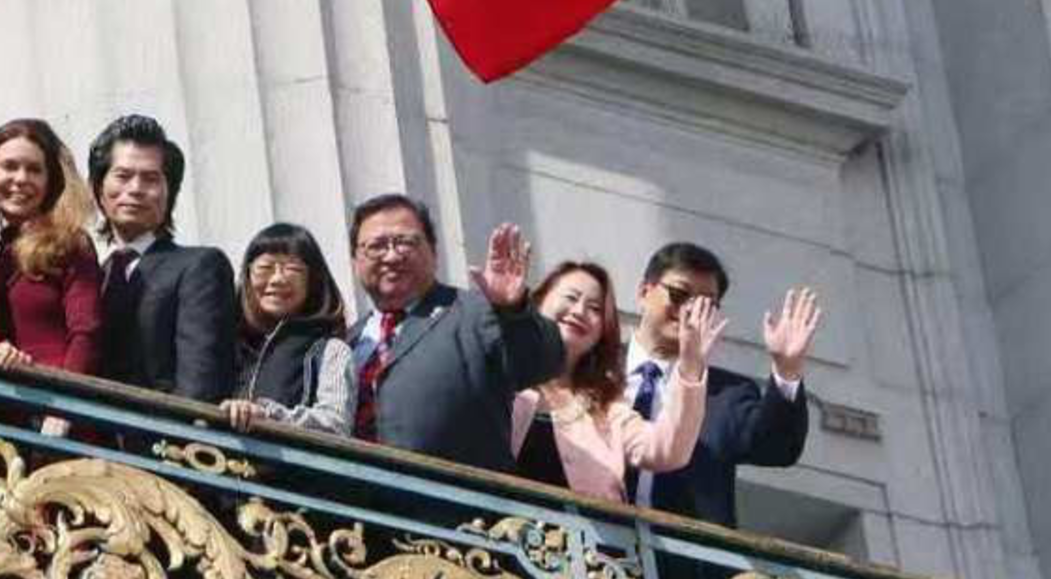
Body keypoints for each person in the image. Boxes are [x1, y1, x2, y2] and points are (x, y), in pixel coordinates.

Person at [340, 193, 565, 474]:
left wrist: (513, 311)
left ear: (434, 251)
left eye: (405, 242)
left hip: (459, 511)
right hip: (355, 510)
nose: (392, 255)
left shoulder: (475, 311)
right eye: (376, 246)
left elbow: (541, 363)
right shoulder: (345, 343)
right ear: (355, 261)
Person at [627, 242, 822, 522]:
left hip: (686, 560)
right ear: (644, 292)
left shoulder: (725, 394)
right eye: (679, 294)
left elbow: (779, 446)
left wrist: (787, 369)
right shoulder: (592, 368)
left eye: (704, 305)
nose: (688, 312)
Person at [515, 259, 715, 502]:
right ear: (540, 301)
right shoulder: (502, 375)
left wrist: (691, 364)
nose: (579, 311)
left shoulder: (606, 407)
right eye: (571, 297)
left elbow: (666, 450)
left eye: (595, 308)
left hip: (579, 535)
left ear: (602, 331)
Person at [85, 114, 237, 403]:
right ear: (98, 188)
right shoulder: (92, 275)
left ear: (170, 193)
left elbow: (200, 382)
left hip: (162, 442)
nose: (136, 189)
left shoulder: (200, 266)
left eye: (151, 178)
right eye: (123, 175)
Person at [0, 118, 102, 374]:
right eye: (9, 166)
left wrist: (65, 407)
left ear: (50, 181)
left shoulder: (69, 242)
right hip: (6, 404)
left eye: (34, 170)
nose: (21, 179)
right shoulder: (0, 254)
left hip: (54, 402)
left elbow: (86, 331)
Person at [221, 223, 355, 436]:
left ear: (313, 281)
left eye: (292, 269)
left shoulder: (330, 350)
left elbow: (335, 424)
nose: (277, 279)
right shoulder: (229, 346)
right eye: (265, 268)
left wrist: (268, 415)